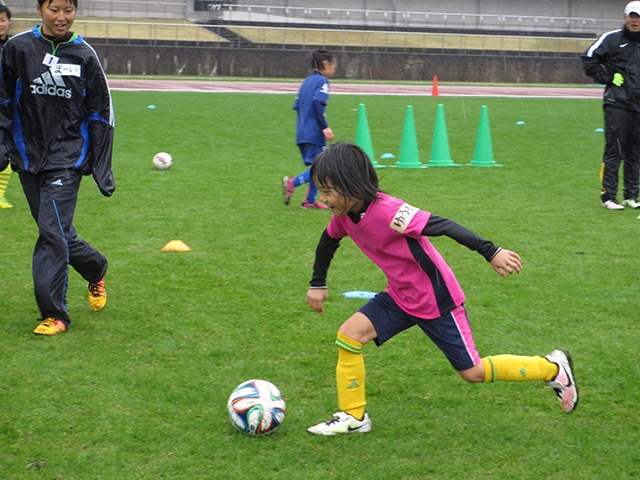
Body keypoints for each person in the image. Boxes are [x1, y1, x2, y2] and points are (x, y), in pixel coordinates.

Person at [304, 142, 578, 435]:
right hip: (399, 296)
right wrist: (318, 283)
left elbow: (444, 226)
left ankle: (552, 368)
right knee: (349, 335)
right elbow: (328, 241)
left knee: (472, 372)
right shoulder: (344, 217)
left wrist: (491, 251)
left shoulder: (389, 211)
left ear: (352, 187)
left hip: (435, 299)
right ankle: (354, 417)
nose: (323, 198)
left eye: (328, 191)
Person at [0, 0, 115, 335]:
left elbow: (100, 113)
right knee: (58, 233)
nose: (61, 17)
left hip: (67, 158)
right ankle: (96, 268)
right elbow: (3, 100)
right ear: (40, 9)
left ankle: (56, 314)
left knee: (51, 233)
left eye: (68, 9)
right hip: (28, 156)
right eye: (54, 9)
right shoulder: (19, 49)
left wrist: (101, 164)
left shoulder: (85, 55)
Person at [582, 1, 640, 210]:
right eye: (632, 16)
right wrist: (606, 77)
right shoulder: (612, 39)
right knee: (614, 151)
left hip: (639, 106)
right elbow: (588, 58)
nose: (635, 20)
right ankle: (609, 197)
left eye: (639, 17)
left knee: (635, 153)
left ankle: (631, 196)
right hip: (617, 103)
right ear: (625, 16)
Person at [282, 49, 336, 210]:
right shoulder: (323, 82)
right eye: (333, 65)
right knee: (322, 167)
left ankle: (310, 201)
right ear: (325, 64)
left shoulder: (306, 81)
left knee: (317, 167)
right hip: (314, 133)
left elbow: (298, 107)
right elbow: (317, 103)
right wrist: (324, 127)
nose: (334, 69)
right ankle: (293, 182)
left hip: (302, 132)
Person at [0, 4, 12, 209]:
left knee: (5, 153)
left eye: (2, 20)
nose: (0, 24)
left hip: (6, 109)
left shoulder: (14, 47)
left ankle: (0, 195)